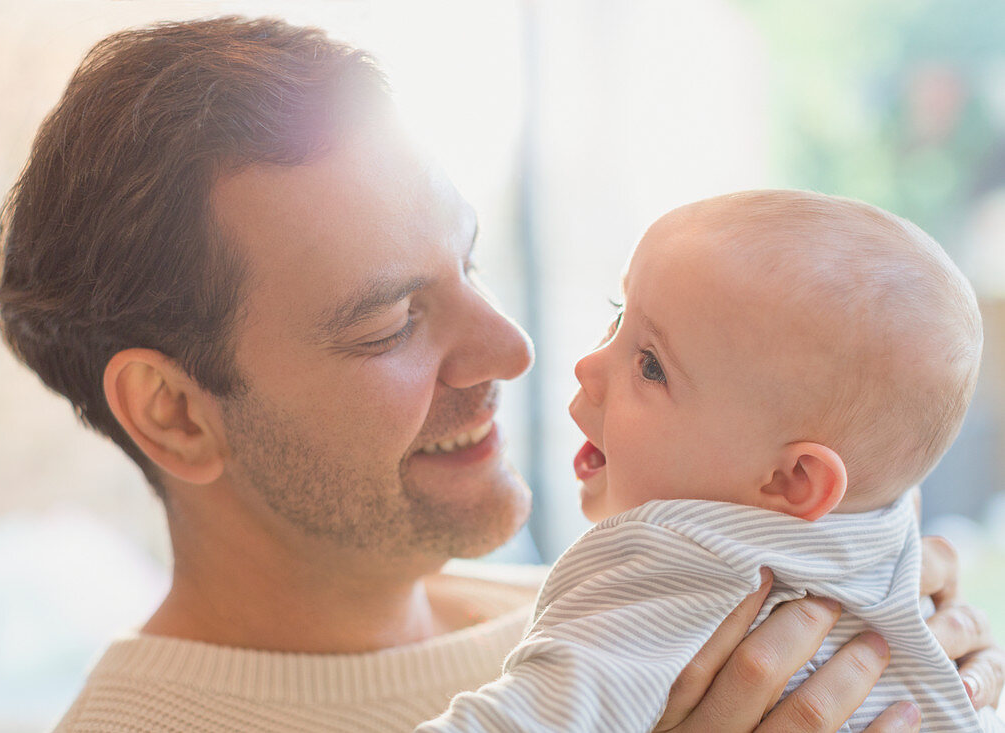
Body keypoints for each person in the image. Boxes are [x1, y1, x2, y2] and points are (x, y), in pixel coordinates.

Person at [0, 17, 1002, 733]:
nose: (511, 350)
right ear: (173, 413)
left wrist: (894, 612)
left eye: (467, 264)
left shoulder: (651, 607)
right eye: (391, 321)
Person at [420, 190, 1003, 732]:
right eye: (617, 316)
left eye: (650, 365)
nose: (587, 366)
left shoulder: (666, 572)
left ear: (794, 480)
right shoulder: (884, 524)